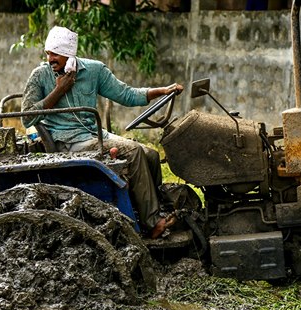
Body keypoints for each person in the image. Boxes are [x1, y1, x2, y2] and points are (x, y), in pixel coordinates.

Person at [21, 26, 182, 238]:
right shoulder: (40, 76)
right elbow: (26, 118)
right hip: (67, 141)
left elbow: (126, 94)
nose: (51, 58)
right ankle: (152, 224)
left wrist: (162, 90)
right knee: (133, 151)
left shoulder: (94, 70)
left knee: (150, 155)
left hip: (96, 135)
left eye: (56, 54)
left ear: (70, 56)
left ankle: (150, 209)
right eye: (48, 53)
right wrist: (59, 90)